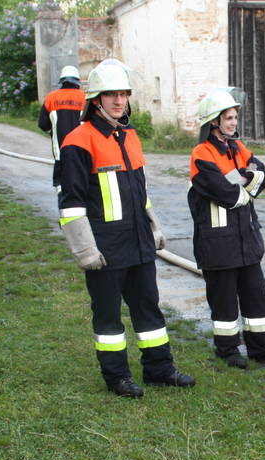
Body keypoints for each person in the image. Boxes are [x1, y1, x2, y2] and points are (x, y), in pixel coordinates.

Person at [58, 59, 194, 397]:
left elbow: (140, 192)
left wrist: (154, 227)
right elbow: (71, 202)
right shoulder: (78, 140)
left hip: (138, 241)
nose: (119, 101)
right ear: (96, 100)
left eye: (124, 94)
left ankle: (159, 369)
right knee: (108, 317)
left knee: (148, 306)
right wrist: (84, 248)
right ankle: (117, 376)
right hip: (104, 246)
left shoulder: (129, 136)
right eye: (111, 95)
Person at [187, 88, 265, 369]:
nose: (233, 122)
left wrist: (245, 181)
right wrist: (246, 183)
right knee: (224, 302)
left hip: (246, 240)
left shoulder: (237, 148)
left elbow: (262, 174)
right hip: (218, 243)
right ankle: (227, 350)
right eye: (227, 118)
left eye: (234, 117)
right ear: (213, 122)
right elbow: (225, 194)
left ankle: (261, 348)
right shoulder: (202, 154)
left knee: (255, 297)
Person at [37, 64, 85, 194]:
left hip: (60, 150)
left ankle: (62, 199)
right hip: (82, 151)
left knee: (62, 185)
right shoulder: (85, 98)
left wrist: (53, 133)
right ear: (77, 82)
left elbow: (42, 124)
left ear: (62, 81)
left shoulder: (51, 98)